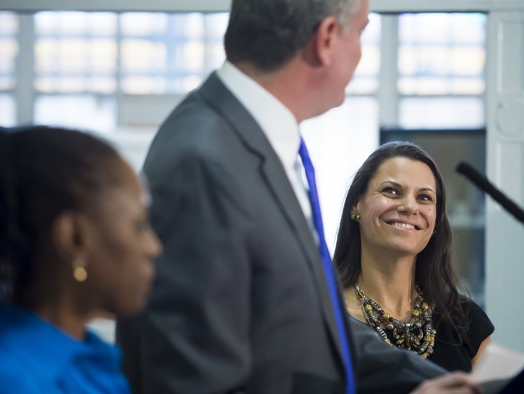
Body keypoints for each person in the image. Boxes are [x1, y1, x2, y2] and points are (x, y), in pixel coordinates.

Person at [115, 0, 481, 393]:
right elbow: (190, 375)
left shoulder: (255, 141)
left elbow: (310, 331)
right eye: (360, 32)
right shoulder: (204, 161)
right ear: (326, 39)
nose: (360, 53)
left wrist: (453, 383)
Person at [0, 123, 162, 393]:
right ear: (74, 238)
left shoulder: (90, 360)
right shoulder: (5, 383)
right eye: (139, 225)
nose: (153, 247)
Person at [334, 141, 494, 373]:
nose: (410, 207)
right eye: (391, 191)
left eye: (424, 198)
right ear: (356, 205)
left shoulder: (466, 320)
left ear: (437, 220)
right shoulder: (324, 320)